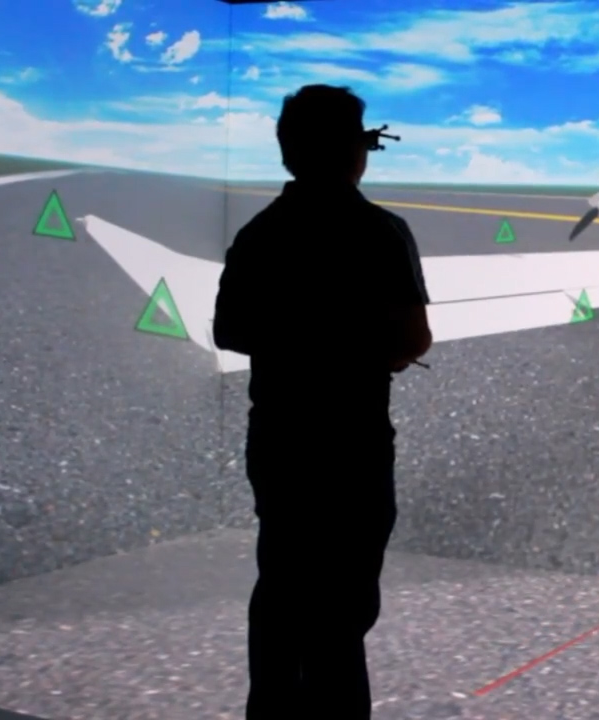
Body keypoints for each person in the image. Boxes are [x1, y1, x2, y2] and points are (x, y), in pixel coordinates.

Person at [212, 84, 434, 720]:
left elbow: (230, 331)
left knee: (281, 591)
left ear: (288, 151)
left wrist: (298, 337)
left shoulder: (259, 234)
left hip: (280, 442)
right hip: (352, 448)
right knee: (340, 615)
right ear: (354, 153)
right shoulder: (382, 233)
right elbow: (412, 339)